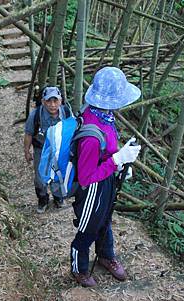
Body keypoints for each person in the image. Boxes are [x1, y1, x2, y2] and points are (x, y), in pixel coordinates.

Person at [70, 67, 142, 287]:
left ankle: (105, 255)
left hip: (107, 179)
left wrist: (119, 165)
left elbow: (107, 151)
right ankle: (79, 268)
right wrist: (117, 160)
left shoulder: (105, 116)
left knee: (105, 219)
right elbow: (86, 177)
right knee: (88, 226)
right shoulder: (91, 134)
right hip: (92, 187)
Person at [24, 86, 70, 213]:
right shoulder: (36, 114)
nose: (52, 105)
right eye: (49, 101)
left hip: (59, 149)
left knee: (58, 174)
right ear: (43, 101)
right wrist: (27, 151)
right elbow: (28, 134)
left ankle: (58, 197)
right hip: (41, 148)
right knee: (40, 176)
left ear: (61, 101)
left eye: (56, 101)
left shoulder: (66, 112)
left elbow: (71, 130)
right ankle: (42, 198)